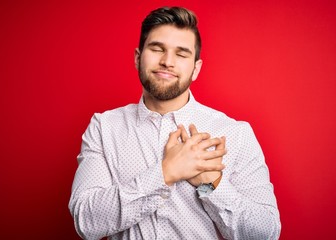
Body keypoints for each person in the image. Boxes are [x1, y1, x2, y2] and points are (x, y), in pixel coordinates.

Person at [69, 6, 281, 240]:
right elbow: (86, 222)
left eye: (181, 54)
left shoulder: (235, 133)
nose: (167, 61)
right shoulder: (103, 127)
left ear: (196, 68)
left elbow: (266, 233)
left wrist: (210, 184)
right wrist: (166, 172)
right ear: (138, 58)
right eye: (157, 49)